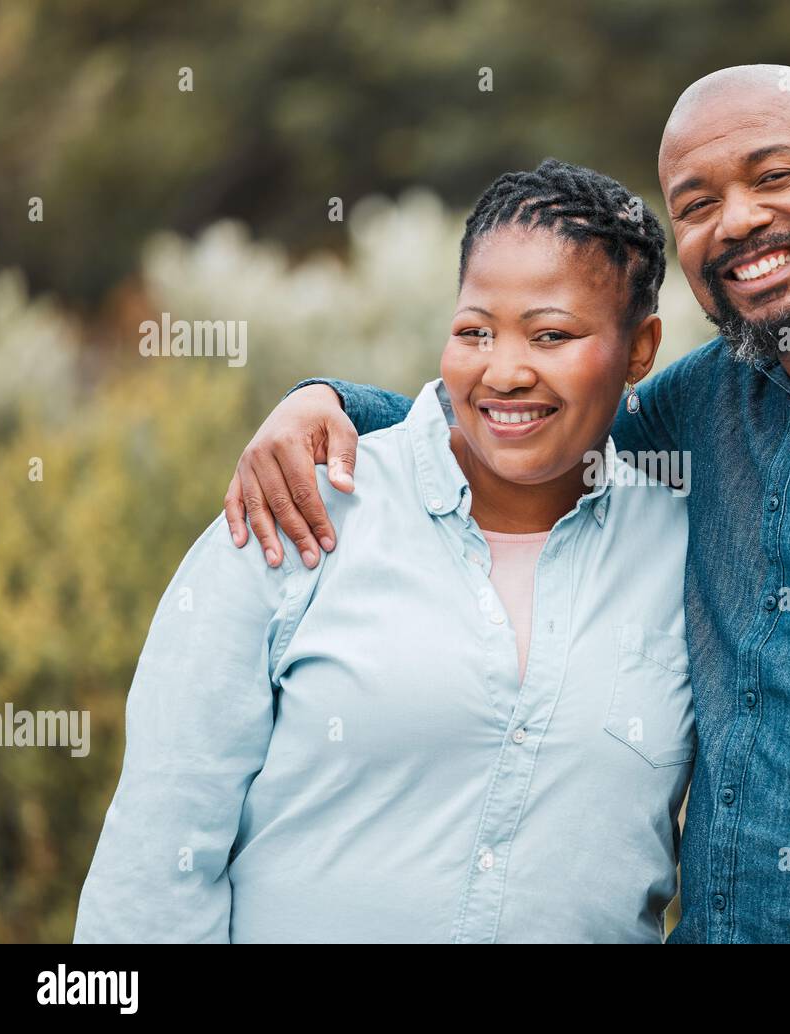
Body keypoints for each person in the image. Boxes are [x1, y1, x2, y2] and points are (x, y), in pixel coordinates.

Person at [222, 66, 790, 943]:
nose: (740, 222)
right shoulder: (713, 397)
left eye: (773, 177)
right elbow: (542, 435)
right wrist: (336, 404)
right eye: (699, 205)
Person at [75, 160, 697, 943]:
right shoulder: (300, 507)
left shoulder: (685, 551)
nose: (503, 371)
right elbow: (159, 851)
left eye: (552, 335)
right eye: (474, 330)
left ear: (641, 349)